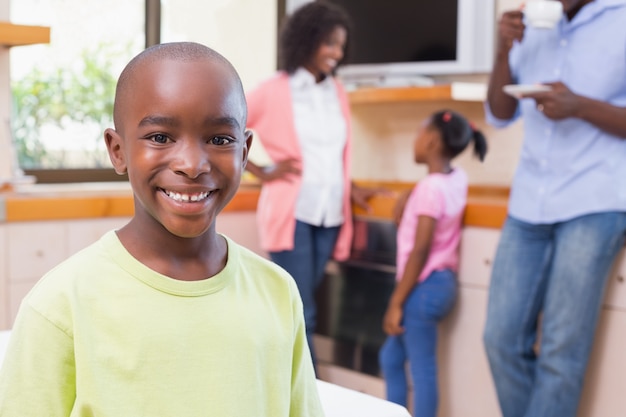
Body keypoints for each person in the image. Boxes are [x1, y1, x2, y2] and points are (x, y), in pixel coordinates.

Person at [0, 42, 323, 417]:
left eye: (219, 139)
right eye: (160, 137)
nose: (191, 164)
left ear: (245, 151)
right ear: (117, 151)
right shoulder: (60, 305)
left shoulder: (278, 293)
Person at [482, 1, 626, 416]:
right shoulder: (535, 21)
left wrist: (580, 106)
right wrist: (502, 50)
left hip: (597, 200)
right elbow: (500, 112)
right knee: (499, 340)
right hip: (529, 201)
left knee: (562, 353)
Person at [245, 1, 376, 363]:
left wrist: (350, 188)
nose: (337, 53)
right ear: (308, 39)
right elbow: (226, 124)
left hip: (329, 215)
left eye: (341, 45)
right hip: (294, 215)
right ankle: (309, 398)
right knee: (303, 311)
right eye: (330, 43)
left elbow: (335, 155)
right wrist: (261, 171)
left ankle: (287, 389)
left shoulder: (336, 92)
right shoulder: (274, 89)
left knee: (299, 308)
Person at [379, 110, 488, 417]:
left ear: (430, 141)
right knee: (391, 357)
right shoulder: (455, 179)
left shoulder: (430, 189)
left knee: (422, 369)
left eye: (418, 133)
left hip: (421, 288)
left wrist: (396, 303)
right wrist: (411, 193)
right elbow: (436, 191)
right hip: (441, 284)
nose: (415, 140)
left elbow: (421, 249)